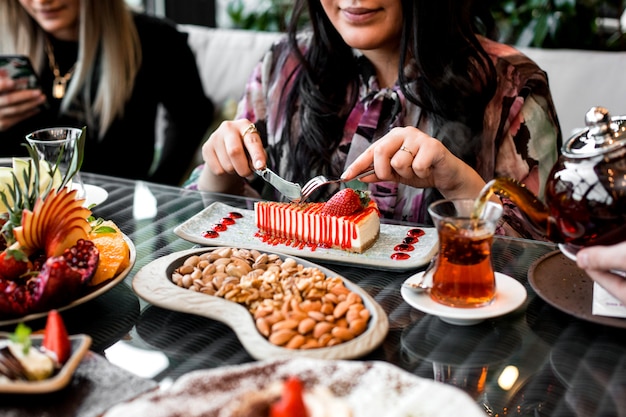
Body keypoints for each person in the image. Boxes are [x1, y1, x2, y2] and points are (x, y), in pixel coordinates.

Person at [184, 0, 562, 238]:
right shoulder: (282, 67)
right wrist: (221, 171)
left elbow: (541, 254)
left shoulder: (512, 86)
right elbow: (214, 222)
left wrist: (459, 182)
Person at [0, 0, 214, 186]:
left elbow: (192, 117)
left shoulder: (156, 40)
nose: (42, 1)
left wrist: (160, 188)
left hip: (113, 209)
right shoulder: (5, 41)